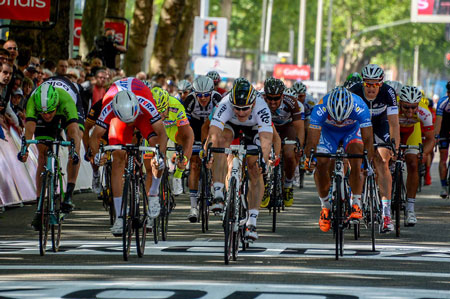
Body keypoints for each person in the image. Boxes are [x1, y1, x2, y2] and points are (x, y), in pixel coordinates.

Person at [88, 77, 167, 236]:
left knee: (155, 152)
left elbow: (162, 134)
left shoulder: (146, 103)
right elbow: (94, 136)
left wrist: (160, 156)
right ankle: (120, 216)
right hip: (119, 119)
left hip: (142, 115)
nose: (131, 124)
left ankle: (153, 193)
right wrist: (97, 156)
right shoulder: (108, 106)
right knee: (117, 158)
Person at [208, 78, 273, 241]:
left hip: (253, 129)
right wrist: (209, 152)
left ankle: (252, 221)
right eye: (237, 108)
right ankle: (218, 193)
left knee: (254, 167)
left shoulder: (262, 107)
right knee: (221, 143)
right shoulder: (225, 104)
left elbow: (265, 140)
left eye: (245, 109)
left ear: (252, 104)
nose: (241, 112)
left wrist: (264, 160)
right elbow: (213, 134)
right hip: (230, 126)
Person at [305, 86, 374, 233]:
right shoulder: (320, 108)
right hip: (328, 132)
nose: (340, 120)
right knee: (321, 163)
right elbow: (311, 140)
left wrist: (367, 159)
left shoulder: (360, 106)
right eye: (336, 117)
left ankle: (356, 203)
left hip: (351, 131)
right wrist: (310, 158)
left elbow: (368, 138)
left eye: (344, 117)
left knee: (357, 159)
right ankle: (325, 207)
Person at [19, 84, 82, 229]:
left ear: (56, 105)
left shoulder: (65, 100)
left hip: (67, 107)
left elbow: (73, 130)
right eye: (43, 113)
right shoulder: (33, 101)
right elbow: (29, 129)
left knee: (75, 142)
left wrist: (74, 152)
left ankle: (68, 195)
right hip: (46, 107)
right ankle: (40, 208)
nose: (46, 115)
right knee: (42, 154)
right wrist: (25, 150)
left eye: (50, 112)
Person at [350, 63, 400, 233]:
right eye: (368, 84)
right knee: (356, 160)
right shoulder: (354, 91)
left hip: (380, 125)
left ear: (381, 84)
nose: (371, 88)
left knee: (382, 160)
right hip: (359, 125)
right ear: (363, 83)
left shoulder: (388, 92)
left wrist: (395, 146)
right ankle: (354, 201)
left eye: (375, 84)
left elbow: (394, 123)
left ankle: (386, 213)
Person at [151, 86, 195, 219]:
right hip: (154, 129)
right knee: (156, 157)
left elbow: (187, 135)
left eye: (163, 111)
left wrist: (184, 158)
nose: (161, 115)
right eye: (157, 112)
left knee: (188, 136)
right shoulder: (147, 108)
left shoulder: (176, 105)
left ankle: (178, 174)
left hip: (172, 128)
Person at [183, 76, 222, 222]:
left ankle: (214, 186)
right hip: (194, 128)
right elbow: (185, 127)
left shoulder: (217, 99)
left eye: (206, 95)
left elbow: (219, 124)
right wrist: (188, 144)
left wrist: (211, 143)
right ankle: (193, 206)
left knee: (215, 157)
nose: (203, 98)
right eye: (200, 95)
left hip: (212, 126)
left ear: (212, 92)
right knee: (194, 164)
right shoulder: (190, 100)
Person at [261, 77, 304, 208]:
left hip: (287, 127)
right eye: (270, 98)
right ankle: (264, 181)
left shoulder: (291, 102)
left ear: (282, 95)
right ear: (265, 96)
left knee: (290, 154)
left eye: (276, 98)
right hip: (267, 127)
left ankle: (288, 185)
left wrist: (299, 146)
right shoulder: (259, 101)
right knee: (262, 151)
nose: (272, 102)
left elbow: (300, 127)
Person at [397, 85, 434, 226]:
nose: (410, 111)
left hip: (412, 133)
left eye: (414, 107)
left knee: (413, 163)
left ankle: (410, 209)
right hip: (394, 130)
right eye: (406, 107)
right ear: (400, 103)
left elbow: (430, 139)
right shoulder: (392, 107)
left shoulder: (424, 112)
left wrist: (423, 153)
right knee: (385, 159)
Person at [434, 81, 450, 198]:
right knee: (443, 158)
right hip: (444, 128)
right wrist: (436, 136)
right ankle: (444, 186)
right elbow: (438, 122)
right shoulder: (442, 102)